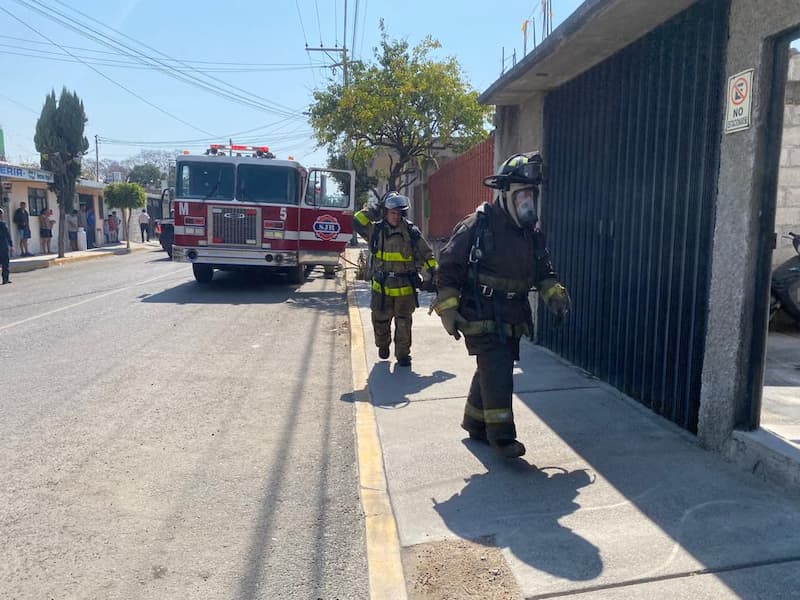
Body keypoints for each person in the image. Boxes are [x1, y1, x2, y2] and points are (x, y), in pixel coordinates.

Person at [430, 152, 571, 458]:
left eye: (532, 194)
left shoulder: (531, 235)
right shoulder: (478, 225)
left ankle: (474, 422)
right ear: (506, 194)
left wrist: (555, 296)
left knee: (491, 368)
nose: (528, 201)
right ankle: (502, 436)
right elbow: (448, 267)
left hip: (512, 314)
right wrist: (448, 308)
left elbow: (544, 272)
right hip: (480, 312)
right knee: (499, 368)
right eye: (523, 194)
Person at [353, 192, 438, 367]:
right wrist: (375, 208)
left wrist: (433, 275)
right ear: (385, 212)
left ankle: (403, 355)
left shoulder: (411, 232)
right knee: (380, 321)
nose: (395, 216)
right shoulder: (375, 230)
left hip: (405, 288)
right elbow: (357, 220)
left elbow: (427, 254)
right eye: (392, 212)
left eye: (398, 213)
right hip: (381, 288)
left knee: (404, 323)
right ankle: (383, 345)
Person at [0, 208, 13, 284]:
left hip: (3, 246)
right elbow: (8, 235)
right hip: (3, 246)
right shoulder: (3, 224)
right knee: (5, 264)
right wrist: (11, 245)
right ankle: (5, 279)